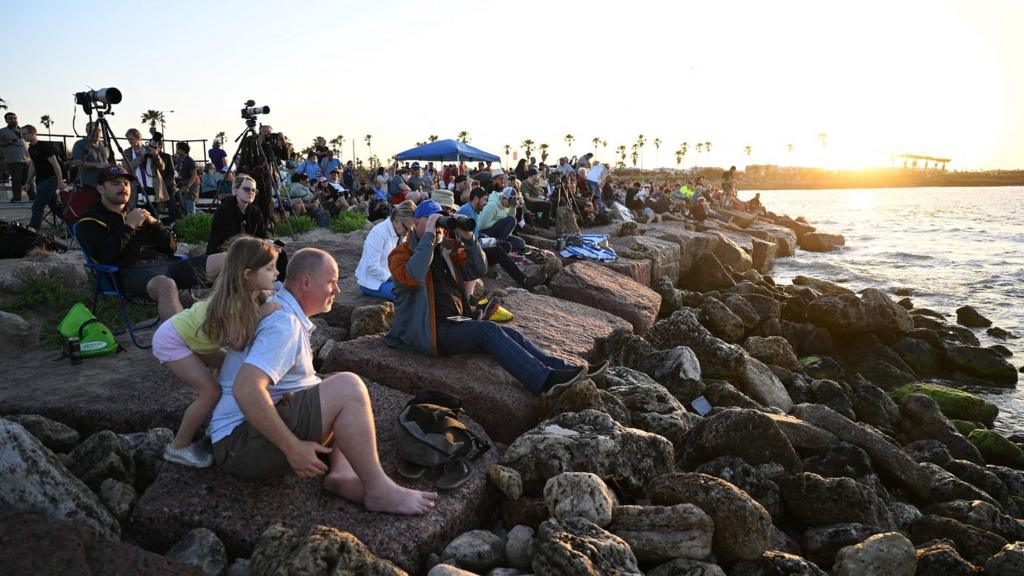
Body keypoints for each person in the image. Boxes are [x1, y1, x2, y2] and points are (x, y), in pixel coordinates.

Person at [210, 248, 438, 514]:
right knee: (348, 388)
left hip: (239, 438)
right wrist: (292, 447)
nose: (338, 291)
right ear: (306, 282)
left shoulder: (280, 307)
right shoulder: (284, 325)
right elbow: (246, 389)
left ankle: (341, 473)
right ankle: (379, 490)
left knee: (322, 384)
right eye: (332, 282)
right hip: (239, 445)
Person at [385, 200, 604, 396]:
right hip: (427, 331)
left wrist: (470, 240)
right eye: (431, 220)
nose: (439, 226)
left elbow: (478, 269)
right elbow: (414, 275)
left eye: (441, 221)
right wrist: (430, 237)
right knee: (488, 331)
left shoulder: (447, 251)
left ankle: (565, 370)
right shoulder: (400, 255)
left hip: (454, 323)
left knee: (511, 334)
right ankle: (544, 381)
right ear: (415, 222)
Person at [153, 236, 281, 467]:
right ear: (247, 274)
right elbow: (237, 344)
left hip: (193, 338)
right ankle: (178, 447)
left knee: (226, 366)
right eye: (270, 268)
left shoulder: (249, 293)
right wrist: (262, 314)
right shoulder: (234, 304)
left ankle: (216, 418)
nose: (277, 273)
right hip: (173, 340)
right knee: (210, 392)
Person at [76, 165, 226, 320]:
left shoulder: (136, 212)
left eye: (126, 184)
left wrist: (155, 224)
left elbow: (171, 248)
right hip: (131, 272)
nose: (123, 187)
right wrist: (128, 227)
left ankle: (240, 325)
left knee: (231, 259)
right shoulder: (90, 220)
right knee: (166, 285)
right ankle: (178, 340)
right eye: (115, 183)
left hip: (167, 265)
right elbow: (103, 256)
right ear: (101, 189)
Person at [457, 187, 546, 290]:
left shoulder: (474, 210)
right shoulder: (467, 211)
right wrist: (486, 242)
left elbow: (475, 235)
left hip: (478, 242)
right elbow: (463, 238)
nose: (486, 203)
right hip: (471, 248)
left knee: (505, 245)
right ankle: (524, 280)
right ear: (476, 199)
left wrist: (491, 241)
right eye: (485, 200)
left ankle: (488, 266)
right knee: (498, 250)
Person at [355, 200, 415, 300]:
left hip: (389, 278)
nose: (408, 232)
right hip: (372, 283)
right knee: (407, 294)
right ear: (396, 220)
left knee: (418, 289)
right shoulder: (379, 233)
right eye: (407, 228)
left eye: (411, 229)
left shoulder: (400, 230)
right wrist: (396, 278)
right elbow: (372, 266)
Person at [20, 125, 66, 231]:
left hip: (50, 180)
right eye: (22, 134)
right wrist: (27, 182)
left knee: (37, 207)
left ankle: (32, 231)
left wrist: (60, 181)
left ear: (33, 133)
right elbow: (33, 166)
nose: (23, 136)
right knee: (55, 207)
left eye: (25, 134)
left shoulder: (45, 146)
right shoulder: (31, 149)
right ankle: (74, 225)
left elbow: (55, 165)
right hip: (40, 182)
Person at [207, 174, 268, 253]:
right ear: (236, 191)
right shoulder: (225, 210)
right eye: (246, 189)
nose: (251, 192)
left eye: (254, 190)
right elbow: (228, 240)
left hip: (248, 249)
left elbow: (262, 236)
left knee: (279, 253)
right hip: (225, 252)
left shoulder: (255, 211)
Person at [123, 128, 170, 212]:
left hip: (152, 185)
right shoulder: (127, 152)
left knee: (153, 212)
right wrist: (142, 155)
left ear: (138, 137)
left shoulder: (150, 148)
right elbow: (127, 168)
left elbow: (162, 167)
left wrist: (156, 155)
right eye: (128, 139)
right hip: (137, 187)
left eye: (131, 139)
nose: (130, 141)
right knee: (139, 212)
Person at [475, 186, 526, 253]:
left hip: (498, 235)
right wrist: (499, 223)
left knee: (521, 243)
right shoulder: (492, 205)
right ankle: (498, 245)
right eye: (510, 202)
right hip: (484, 232)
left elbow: (510, 220)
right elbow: (481, 225)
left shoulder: (506, 204)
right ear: (503, 198)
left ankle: (496, 244)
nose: (510, 205)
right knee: (512, 220)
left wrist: (513, 207)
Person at [0, 112, 31, 202]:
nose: (13, 120)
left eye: (14, 118)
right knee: (16, 179)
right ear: (6, 120)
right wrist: (9, 142)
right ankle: (17, 197)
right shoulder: (2, 131)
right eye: (10, 118)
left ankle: (32, 196)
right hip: (14, 159)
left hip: (27, 159)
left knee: (29, 179)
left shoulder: (22, 130)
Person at [174, 142, 200, 215]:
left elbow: (194, 175)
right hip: (183, 185)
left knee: (190, 205)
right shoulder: (180, 160)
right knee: (186, 206)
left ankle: (193, 222)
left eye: (178, 148)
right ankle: (205, 217)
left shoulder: (190, 161)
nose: (176, 150)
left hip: (190, 186)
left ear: (183, 150)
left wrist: (188, 186)